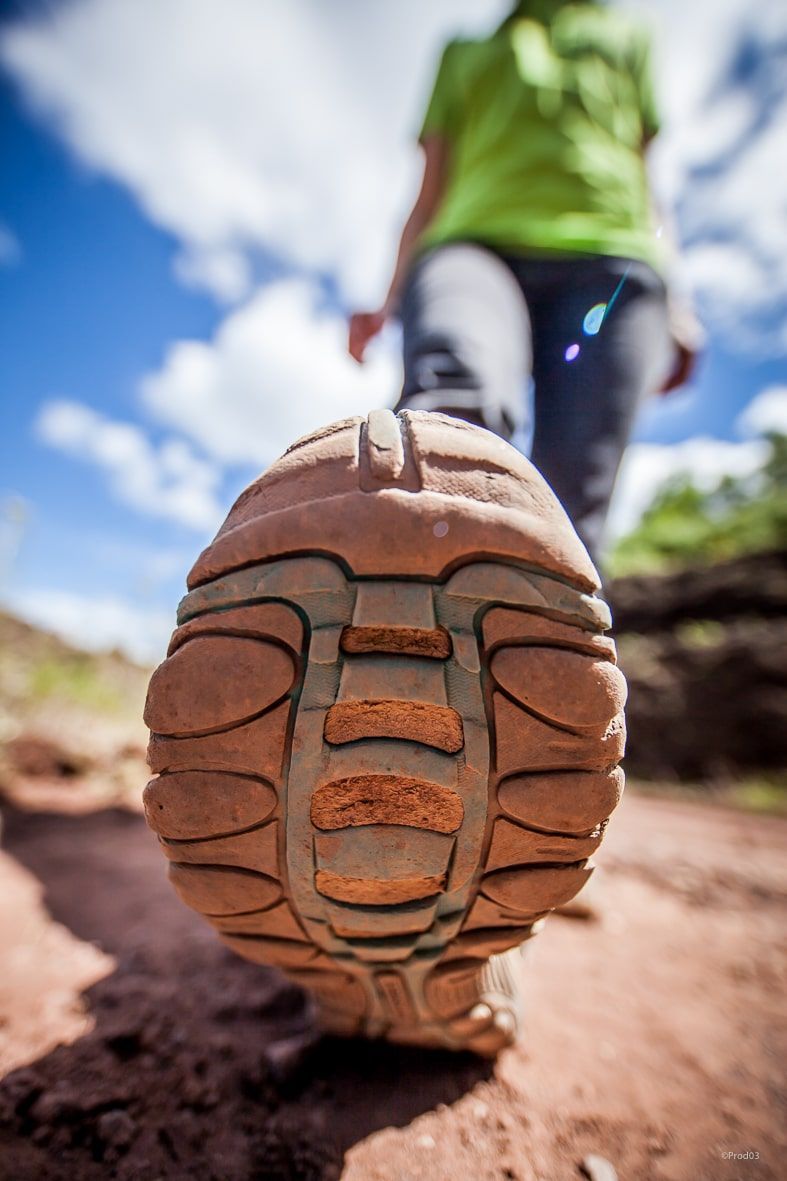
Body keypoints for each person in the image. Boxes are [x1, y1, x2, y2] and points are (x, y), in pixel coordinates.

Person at [349, 0, 701, 566]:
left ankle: (544, 641)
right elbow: (430, 186)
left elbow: (646, 178)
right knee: (454, 410)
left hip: (614, 264)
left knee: (572, 502)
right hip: (472, 249)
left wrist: (678, 304)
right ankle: (393, 613)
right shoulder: (464, 53)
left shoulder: (627, 40)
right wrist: (389, 297)